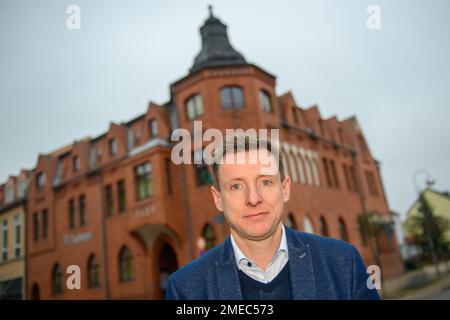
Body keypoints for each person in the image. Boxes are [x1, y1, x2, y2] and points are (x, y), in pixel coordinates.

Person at [166, 134, 380, 300]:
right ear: (218, 198)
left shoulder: (343, 264)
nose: (253, 198)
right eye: (236, 186)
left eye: (265, 182)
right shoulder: (185, 289)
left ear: (285, 188)